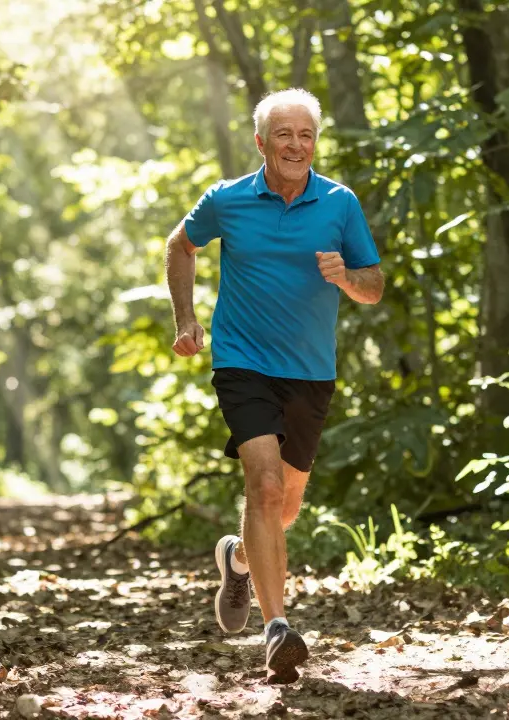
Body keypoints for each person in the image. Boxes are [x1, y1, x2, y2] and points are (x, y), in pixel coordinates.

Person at [164, 88, 384, 683]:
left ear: (316, 143)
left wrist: (348, 279)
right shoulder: (228, 200)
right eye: (283, 134)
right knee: (261, 486)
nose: (296, 144)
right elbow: (179, 245)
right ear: (261, 142)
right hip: (241, 360)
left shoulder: (340, 204)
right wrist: (186, 319)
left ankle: (238, 559)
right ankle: (277, 629)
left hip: (311, 370)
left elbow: (375, 284)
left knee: (283, 507)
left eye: (305, 134)